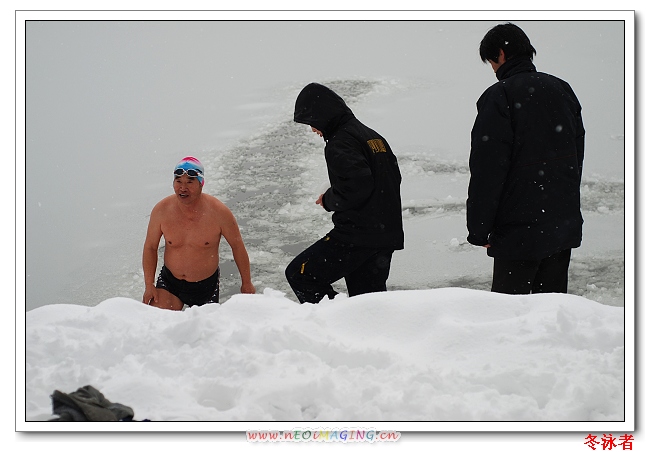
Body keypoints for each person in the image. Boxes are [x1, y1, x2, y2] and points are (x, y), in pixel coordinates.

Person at [466, 23, 585, 295]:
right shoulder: (562, 89)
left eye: (491, 62)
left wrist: (479, 229)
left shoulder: (500, 96)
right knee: (551, 308)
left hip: (517, 231)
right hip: (560, 225)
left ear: (501, 53)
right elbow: (576, 155)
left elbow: (488, 169)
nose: (493, 69)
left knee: (510, 311)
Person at [285, 83, 404, 304]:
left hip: (357, 236)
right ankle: (355, 320)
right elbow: (391, 178)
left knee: (300, 274)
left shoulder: (340, 141)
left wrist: (329, 199)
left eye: (311, 122)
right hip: (384, 235)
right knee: (367, 303)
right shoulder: (372, 137)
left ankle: (336, 316)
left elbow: (357, 186)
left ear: (322, 115)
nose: (312, 129)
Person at [142, 156, 255, 310]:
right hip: (170, 283)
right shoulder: (162, 210)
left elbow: (237, 246)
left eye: (190, 182)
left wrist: (246, 283)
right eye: (178, 181)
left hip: (205, 287)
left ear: (201, 183)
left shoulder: (219, 213)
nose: (183, 188)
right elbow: (150, 247)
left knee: (204, 325)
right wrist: (149, 285)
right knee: (159, 320)